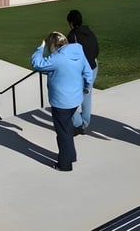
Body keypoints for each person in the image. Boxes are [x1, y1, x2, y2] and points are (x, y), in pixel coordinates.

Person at [31, 31, 94, 172]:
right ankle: (71, 156)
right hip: (75, 98)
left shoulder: (57, 58)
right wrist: (87, 87)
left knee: (63, 133)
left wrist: (40, 48)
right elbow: (88, 72)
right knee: (67, 129)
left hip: (61, 102)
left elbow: (37, 63)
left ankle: (64, 164)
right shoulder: (78, 51)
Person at [66, 9, 99, 135]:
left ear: (71, 23)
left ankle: (78, 123)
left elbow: (70, 55)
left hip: (82, 70)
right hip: (94, 66)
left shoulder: (72, 36)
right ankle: (84, 123)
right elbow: (96, 49)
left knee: (69, 97)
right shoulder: (89, 31)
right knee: (86, 96)